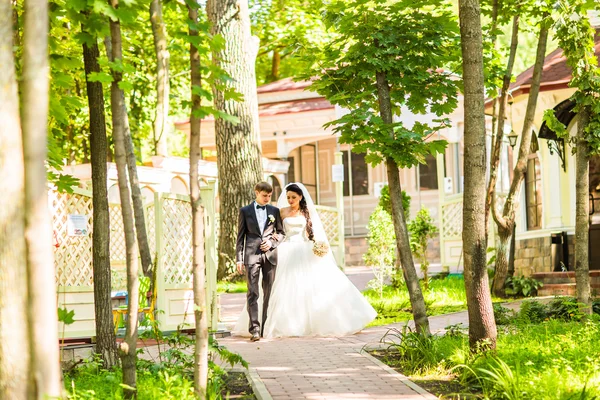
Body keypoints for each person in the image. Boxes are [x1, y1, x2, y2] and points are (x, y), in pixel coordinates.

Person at [233, 183, 376, 338]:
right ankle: (260, 326)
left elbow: (309, 232)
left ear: (300, 197)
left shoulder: (305, 212)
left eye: (293, 197)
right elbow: (276, 230)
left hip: (303, 250)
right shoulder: (280, 212)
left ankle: (309, 323)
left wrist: (317, 244)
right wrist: (274, 238)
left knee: (310, 287)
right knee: (277, 289)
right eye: (288, 197)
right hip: (285, 250)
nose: (290, 200)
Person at [236, 182, 285, 341]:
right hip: (251, 255)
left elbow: (281, 233)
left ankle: (265, 326)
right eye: (265, 195)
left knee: (268, 292)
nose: (267, 198)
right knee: (253, 292)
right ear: (256, 193)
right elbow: (240, 237)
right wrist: (239, 258)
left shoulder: (274, 211)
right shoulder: (245, 211)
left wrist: (272, 243)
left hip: (270, 256)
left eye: (270, 196)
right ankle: (255, 329)